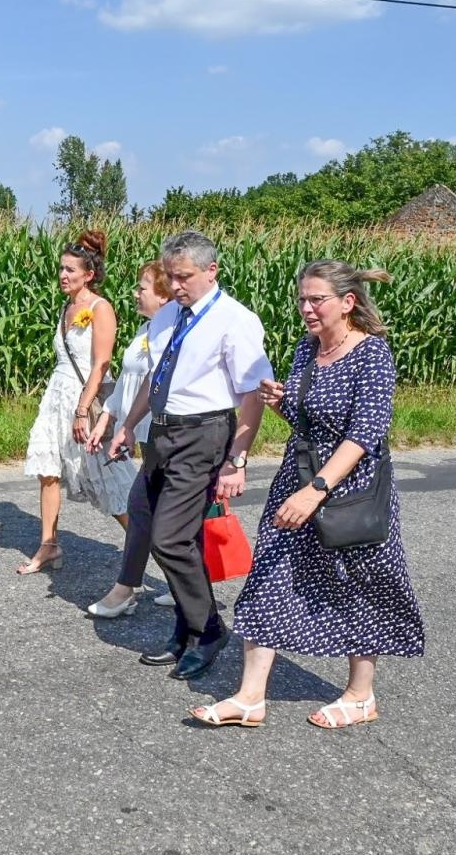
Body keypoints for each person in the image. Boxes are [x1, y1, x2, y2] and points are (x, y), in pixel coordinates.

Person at [190, 260, 424, 730]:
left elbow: (365, 434)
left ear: (347, 302)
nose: (306, 309)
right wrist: (282, 405)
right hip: (298, 478)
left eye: (317, 299)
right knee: (269, 575)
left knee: (358, 582)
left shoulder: (372, 354)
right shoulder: (307, 349)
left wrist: (316, 491)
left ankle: (360, 695)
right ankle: (250, 697)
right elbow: (310, 423)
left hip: (350, 487)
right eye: (302, 299)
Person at [109, 231, 274, 680]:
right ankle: (185, 629)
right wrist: (128, 424)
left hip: (204, 434)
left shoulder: (234, 320)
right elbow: (156, 376)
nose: (176, 285)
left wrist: (237, 459)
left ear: (211, 271)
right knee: (147, 518)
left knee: (170, 538)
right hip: (162, 432)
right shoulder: (169, 316)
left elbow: (253, 392)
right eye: (170, 276)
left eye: (184, 276)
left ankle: (208, 630)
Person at [17, 229, 137, 574]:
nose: (63, 275)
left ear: (89, 274)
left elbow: (101, 364)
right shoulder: (66, 307)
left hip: (87, 400)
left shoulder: (101, 308)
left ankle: (148, 548)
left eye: (70, 269)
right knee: (48, 470)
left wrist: (82, 411)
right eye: (61, 268)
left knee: (107, 476)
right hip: (57, 395)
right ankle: (49, 545)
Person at [84, 260, 172, 616]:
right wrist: (106, 419)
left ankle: (127, 590)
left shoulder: (169, 334)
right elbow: (125, 382)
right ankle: (184, 588)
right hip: (141, 430)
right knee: (154, 511)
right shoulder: (146, 330)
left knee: (144, 509)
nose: (135, 293)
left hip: (161, 433)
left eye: (142, 288)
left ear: (164, 295)